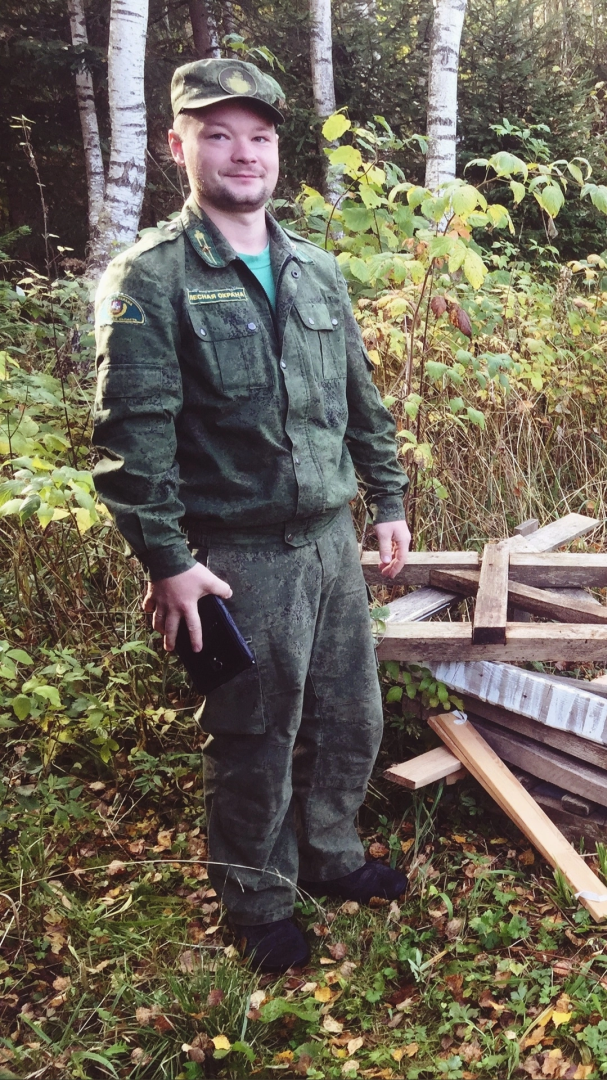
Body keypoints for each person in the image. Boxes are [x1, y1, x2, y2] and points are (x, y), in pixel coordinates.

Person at [91, 58, 412, 972]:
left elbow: (361, 398)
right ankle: (258, 898)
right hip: (238, 555)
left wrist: (385, 499)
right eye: (219, 134)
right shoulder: (152, 279)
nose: (243, 154)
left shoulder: (315, 270)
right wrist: (166, 560)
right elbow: (131, 439)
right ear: (178, 145)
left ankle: (332, 855)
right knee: (255, 737)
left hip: (330, 544)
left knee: (352, 718)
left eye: (260, 136)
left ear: (279, 151)